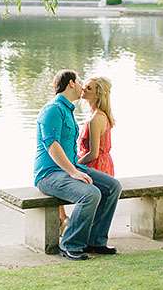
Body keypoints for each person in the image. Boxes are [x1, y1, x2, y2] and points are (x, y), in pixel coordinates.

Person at [35, 70, 122, 261]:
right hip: (49, 174)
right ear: (72, 84)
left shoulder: (67, 110)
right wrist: (73, 172)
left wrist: (75, 169)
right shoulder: (52, 109)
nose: (83, 86)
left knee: (113, 186)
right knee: (90, 193)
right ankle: (70, 244)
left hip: (70, 168)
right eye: (80, 81)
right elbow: (52, 145)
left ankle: (95, 240)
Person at [57, 76, 116, 232]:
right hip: (104, 163)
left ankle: (65, 222)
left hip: (95, 166)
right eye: (85, 86)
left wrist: (75, 166)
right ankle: (64, 220)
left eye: (89, 88)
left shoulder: (95, 119)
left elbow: (93, 153)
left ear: (98, 95)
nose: (83, 89)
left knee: (59, 179)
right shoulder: (101, 115)